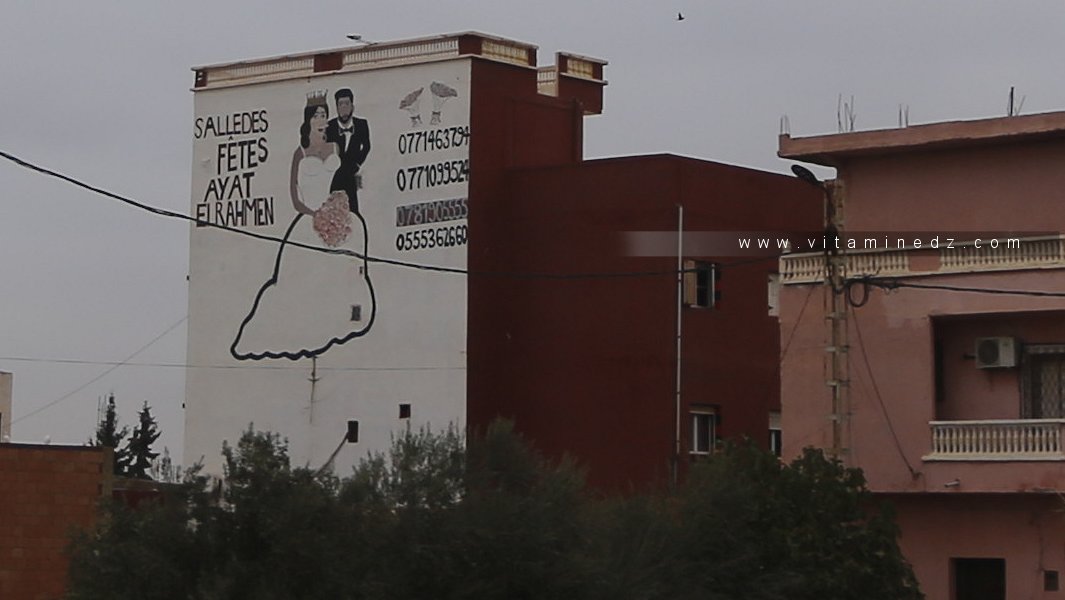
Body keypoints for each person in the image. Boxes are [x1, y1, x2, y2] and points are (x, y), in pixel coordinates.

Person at [230, 92, 376, 361]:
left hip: (336, 216)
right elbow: (295, 199)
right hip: (309, 220)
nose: (322, 119)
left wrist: (338, 208)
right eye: (317, 116)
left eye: (324, 115)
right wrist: (315, 215)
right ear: (308, 121)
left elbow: (346, 179)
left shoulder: (335, 148)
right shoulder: (300, 153)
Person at [325, 88, 371, 213]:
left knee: (353, 210)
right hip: (335, 177)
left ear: (352, 106)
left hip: (351, 175)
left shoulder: (361, 124)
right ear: (337, 107)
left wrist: (357, 164)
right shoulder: (329, 127)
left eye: (346, 103)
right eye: (340, 104)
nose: (344, 107)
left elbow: (366, 146)